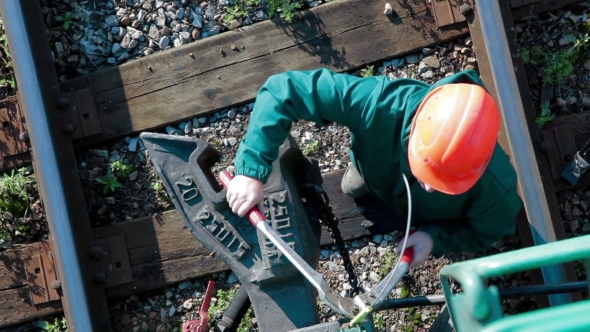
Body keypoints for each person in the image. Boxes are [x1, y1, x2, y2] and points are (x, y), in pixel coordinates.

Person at [225, 67, 523, 267]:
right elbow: (284, 90)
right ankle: (367, 175)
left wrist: (435, 238)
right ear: (417, 133)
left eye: (446, 181)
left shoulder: (498, 192)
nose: (431, 187)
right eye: (429, 171)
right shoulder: (378, 104)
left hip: (423, 208)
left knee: (355, 188)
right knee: (352, 186)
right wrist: (251, 170)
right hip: (376, 164)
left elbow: (486, 233)